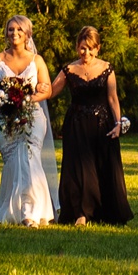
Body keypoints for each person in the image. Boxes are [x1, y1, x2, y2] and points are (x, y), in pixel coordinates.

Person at [47, 25, 131, 226]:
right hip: (76, 125)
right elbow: (50, 91)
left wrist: (119, 124)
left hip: (103, 125)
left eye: (91, 48)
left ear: (98, 48)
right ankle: (81, 213)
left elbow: (112, 98)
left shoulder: (107, 68)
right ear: (77, 47)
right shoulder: (68, 70)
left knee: (102, 167)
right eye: (83, 48)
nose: (87, 53)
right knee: (78, 169)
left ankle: (105, 212)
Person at [0, 16, 58, 226]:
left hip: (32, 116)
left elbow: (47, 89)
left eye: (20, 30)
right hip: (4, 119)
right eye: (11, 29)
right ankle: (11, 210)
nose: (15, 33)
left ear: (27, 34)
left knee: (30, 158)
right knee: (14, 161)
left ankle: (30, 213)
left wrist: (28, 98)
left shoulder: (37, 60)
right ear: (6, 32)